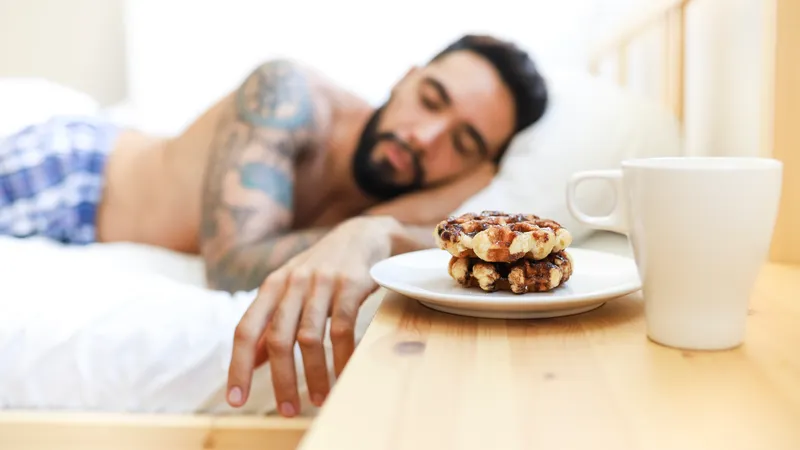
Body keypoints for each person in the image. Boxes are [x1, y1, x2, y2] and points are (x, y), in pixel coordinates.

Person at [0, 34, 548, 416]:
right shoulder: (287, 95)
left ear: (480, 168)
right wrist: (370, 228)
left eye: (462, 142)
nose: (424, 137)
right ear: (406, 79)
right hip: (71, 176)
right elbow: (232, 264)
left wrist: (391, 222)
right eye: (430, 100)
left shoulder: (432, 198)